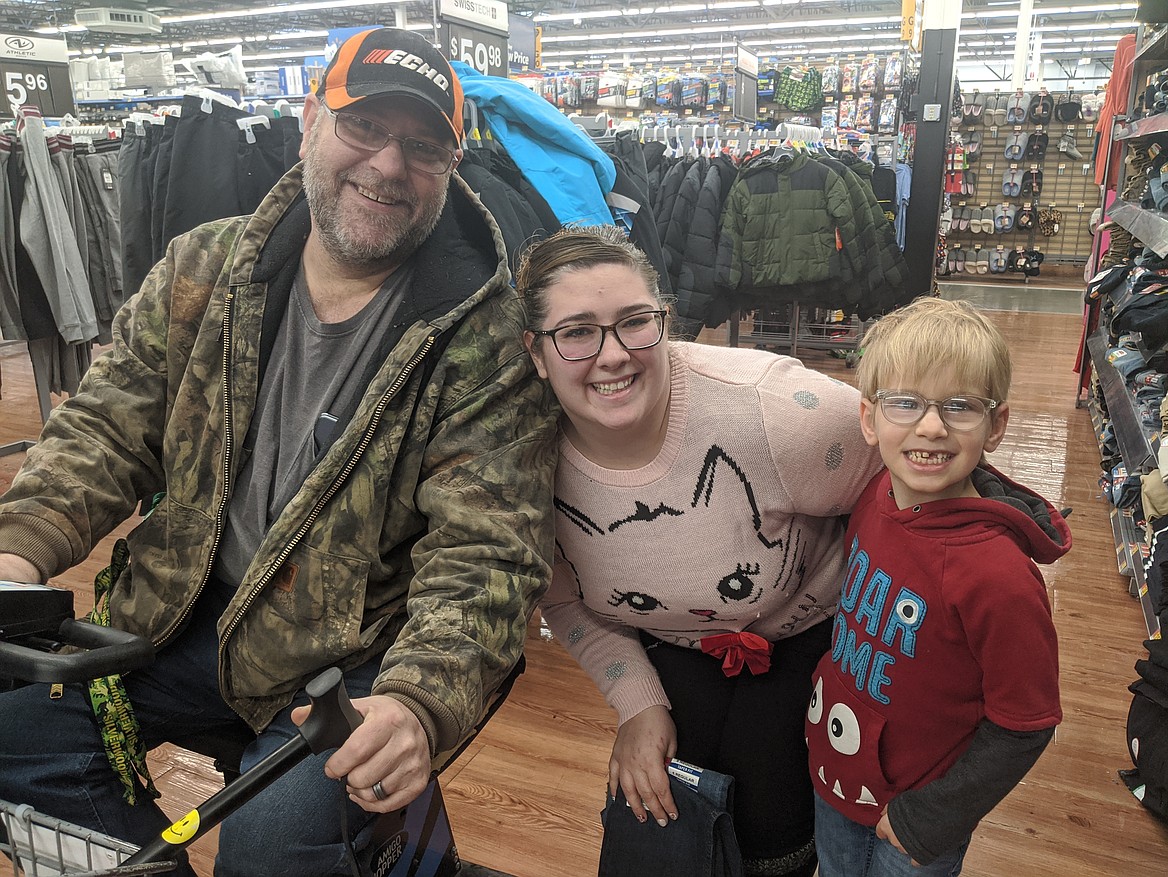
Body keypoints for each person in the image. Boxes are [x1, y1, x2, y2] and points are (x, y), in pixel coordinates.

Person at [0, 27, 558, 876]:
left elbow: (487, 554)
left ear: (450, 167)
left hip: (356, 659)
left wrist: (418, 700)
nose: (386, 164)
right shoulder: (204, 265)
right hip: (179, 614)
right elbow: (106, 426)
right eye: (363, 125)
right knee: (14, 734)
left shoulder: (482, 335)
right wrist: (17, 550)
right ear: (308, 122)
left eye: (421, 146)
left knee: (272, 847)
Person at [515, 225, 883, 877]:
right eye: (576, 331)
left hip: (814, 626)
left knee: (774, 808)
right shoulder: (520, 466)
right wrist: (638, 705)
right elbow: (565, 602)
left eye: (635, 322)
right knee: (657, 801)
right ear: (535, 352)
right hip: (671, 637)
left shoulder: (781, 415)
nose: (613, 355)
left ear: (666, 320)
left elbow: (912, 489)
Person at [805, 295, 1072, 876]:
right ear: (870, 420)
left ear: (996, 425)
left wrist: (929, 817)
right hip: (837, 774)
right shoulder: (873, 500)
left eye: (960, 406)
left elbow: (1025, 723)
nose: (931, 425)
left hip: (919, 816)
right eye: (905, 403)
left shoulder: (999, 578)